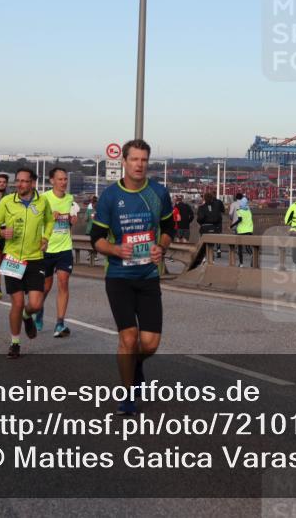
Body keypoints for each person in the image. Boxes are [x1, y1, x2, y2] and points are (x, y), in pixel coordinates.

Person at [89, 139, 174, 414]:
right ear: (124, 162)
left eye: (144, 160)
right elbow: (96, 239)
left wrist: (161, 247)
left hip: (148, 275)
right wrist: (116, 249)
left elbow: (167, 228)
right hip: (118, 276)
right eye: (134, 159)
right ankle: (127, 396)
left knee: (149, 344)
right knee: (128, 339)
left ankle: (135, 365)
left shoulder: (159, 193)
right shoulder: (111, 196)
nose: (139, 165)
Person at [0, 168, 53, 359]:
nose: (20, 184)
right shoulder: (7, 201)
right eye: (18, 181)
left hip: (35, 259)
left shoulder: (42, 201)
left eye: (24, 181)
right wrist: (0, 233)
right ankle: (15, 343)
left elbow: (49, 221)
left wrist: (46, 237)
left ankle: (27, 316)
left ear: (32, 183)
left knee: (35, 304)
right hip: (13, 258)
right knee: (17, 303)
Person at [40, 167, 78, 337]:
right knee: (46, 286)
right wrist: (48, 216)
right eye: (60, 179)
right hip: (46, 248)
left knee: (63, 282)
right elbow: (35, 219)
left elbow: (70, 222)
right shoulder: (43, 199)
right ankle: (38, 309)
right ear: (52, 181)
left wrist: (71, 221)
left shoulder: (70, 199)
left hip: (64, 247)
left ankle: (60, 323)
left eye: (65, 179)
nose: (63, 182)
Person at [197, 190, 225, 259]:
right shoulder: (216, 206)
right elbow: (219, 216)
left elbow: (200, 218)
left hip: (204, 228)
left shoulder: (201, 207)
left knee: (204, 244)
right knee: (211, 244)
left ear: (204, 198)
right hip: (214, 227)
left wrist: (201, 222)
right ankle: (211, 256)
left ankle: (205, 258)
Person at [231, 193, 254, 267]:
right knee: (248, 246)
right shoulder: (249, 212)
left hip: (241, 231)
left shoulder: (239, 211)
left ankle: (241, 263)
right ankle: (252, 255)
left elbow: (239, 220)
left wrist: (232, 225)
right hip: (249, 230)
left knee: (240, 248)